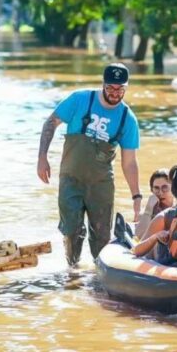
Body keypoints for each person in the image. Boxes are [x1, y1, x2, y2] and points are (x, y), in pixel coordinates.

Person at [37, 63, 142, 266]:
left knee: (102, 235)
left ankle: (98, 276)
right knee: (71, 230)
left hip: (101, 183)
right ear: (103, 84)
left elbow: (129, 163)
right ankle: (72, 272)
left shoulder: (127, 119)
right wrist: (42, 157)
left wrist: (136, 196)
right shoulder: (80, 99)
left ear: (126, 88)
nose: (115, 93)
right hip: (70, 178)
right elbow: (51, 123)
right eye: (110, 87)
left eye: (120, 89)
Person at [131, 165, 177, 263]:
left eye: (165, 188)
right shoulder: (163, 218)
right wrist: (156, 237)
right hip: (164, 268)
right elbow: (136, 250)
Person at [134, 169, 175, 239]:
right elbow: (139, 236)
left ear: (173, 188)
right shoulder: (147, 213)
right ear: (151, 190)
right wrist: (149, 209)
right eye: (156, 188)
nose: (160, 193)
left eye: (165, 187)